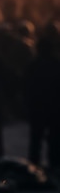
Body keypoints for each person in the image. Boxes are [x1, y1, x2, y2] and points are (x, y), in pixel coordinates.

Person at [23, 34, 60, 169]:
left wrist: (26, 104)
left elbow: (26, 86)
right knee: (54, 138)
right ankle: (54, 162)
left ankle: (34, 163)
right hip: (54, 107)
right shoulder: (56, 64)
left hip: (37, 107)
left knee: (36, 138)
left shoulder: (33, 65)